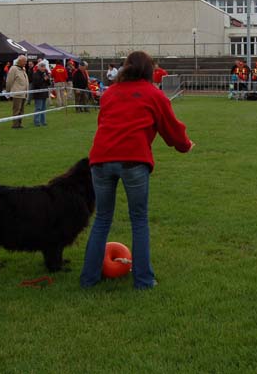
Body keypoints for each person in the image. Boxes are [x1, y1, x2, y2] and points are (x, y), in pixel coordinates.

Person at [80, 51, 194, 290]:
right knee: (139, 220)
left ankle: (89, 279)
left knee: (102, 218)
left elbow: (105, 123)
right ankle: (143, 281)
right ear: (149, 70)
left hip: (100, 160)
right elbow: (172, 130)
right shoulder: (154, 94)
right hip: (133, 160)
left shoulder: (109, 94)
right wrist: (185, 146)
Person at [6, 55, 29, 128]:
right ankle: (15, 124)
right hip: (17, 93)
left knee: (22, 110)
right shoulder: (13, 69)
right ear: (19, 61)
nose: (25, 63)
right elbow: (9, 81)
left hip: (24, 93)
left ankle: (20, 123)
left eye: (26, 61)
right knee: (16, 110)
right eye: (24, 61)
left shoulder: (23, 69)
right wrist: (8, 91)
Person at [31, 60, 52, 126]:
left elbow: (48, 83)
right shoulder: (35, 74)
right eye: (42, 67)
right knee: (38, 108)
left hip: (44, 93)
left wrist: (48, 79)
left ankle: (43, 121)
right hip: (38, 94)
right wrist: (44, 79)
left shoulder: (45, 73)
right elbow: (36, 84)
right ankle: (37, 122)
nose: (43, 68)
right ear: (39, 67)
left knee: (44, 108)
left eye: (44, 67)